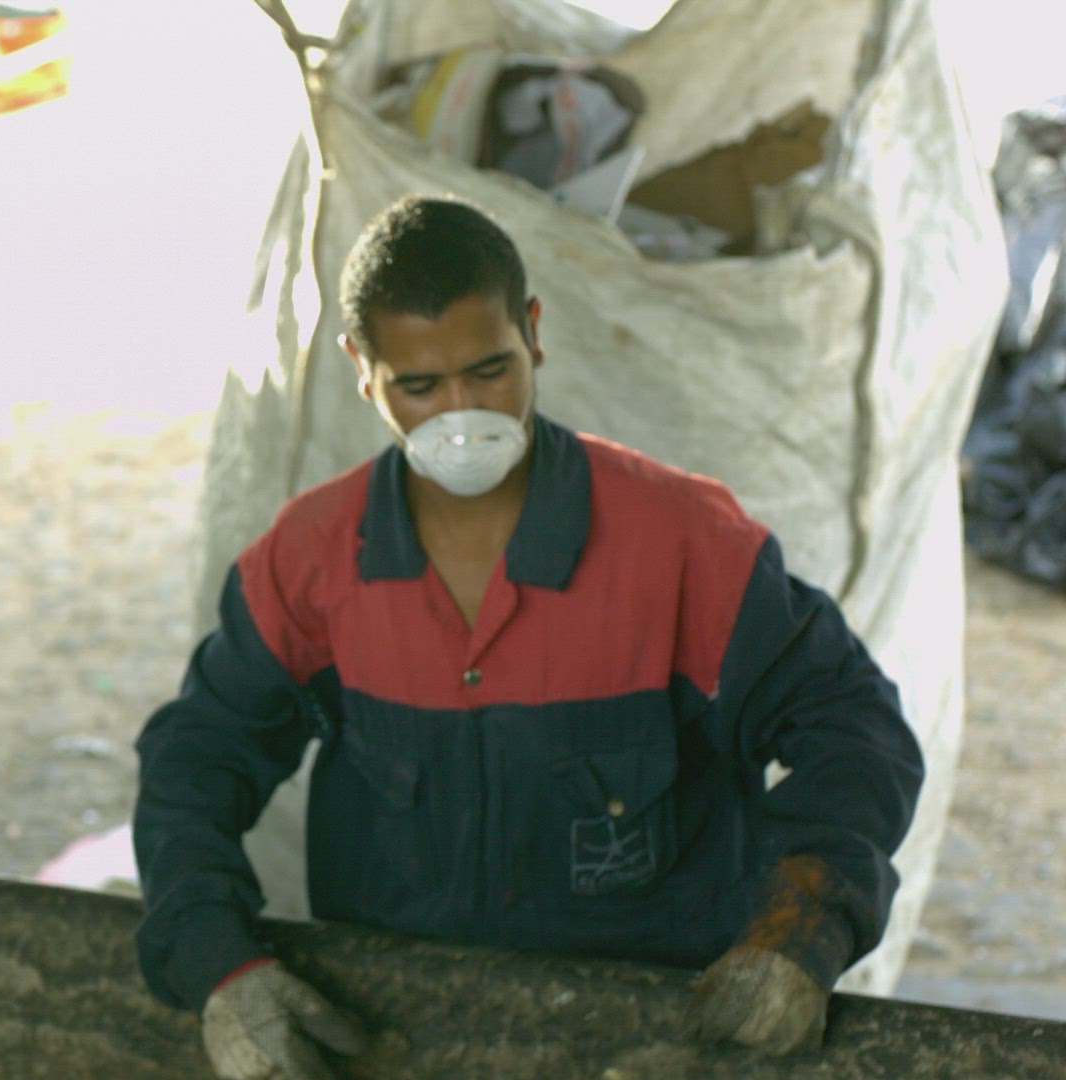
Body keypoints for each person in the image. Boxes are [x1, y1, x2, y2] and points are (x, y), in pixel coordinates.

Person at [132, 197, 924, 1077]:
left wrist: (797, 931)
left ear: (534, 334)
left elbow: (854, 729)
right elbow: (196, 759)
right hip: (395, 1033)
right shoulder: (311, 561)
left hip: (656, 1042)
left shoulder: (683, 545)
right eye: (419, 387)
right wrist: (217, 964)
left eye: (490, 371)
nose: (462, 414)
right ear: (362, 369)